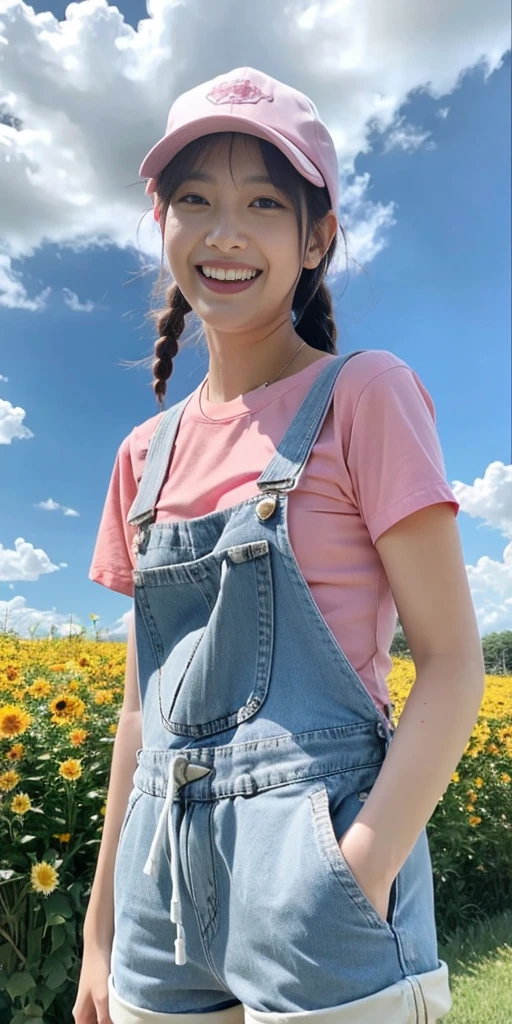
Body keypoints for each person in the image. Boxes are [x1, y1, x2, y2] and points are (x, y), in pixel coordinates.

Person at [75, 67, 485, 1024]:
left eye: (264, 202)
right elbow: (143, 713)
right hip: (154, 894)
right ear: (163, 224)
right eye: (195, 200)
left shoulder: (364, 395)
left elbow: (455, 661)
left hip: (317, 866)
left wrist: (357, 872)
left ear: (316, 238)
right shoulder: (142, 454)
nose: (224, 232)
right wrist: (101, 930)